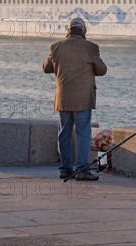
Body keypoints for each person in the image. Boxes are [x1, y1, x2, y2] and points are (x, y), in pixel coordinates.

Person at [43, 17, 107, 180]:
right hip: (83, 99)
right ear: (84, 31)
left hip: (63, 97)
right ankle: (82, 170)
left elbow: (46, 68)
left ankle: (65, 169)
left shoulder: (56, 46)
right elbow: (101, 70)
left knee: (64, 133)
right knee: (83, 133)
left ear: (68, 30)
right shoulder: (91, 47)